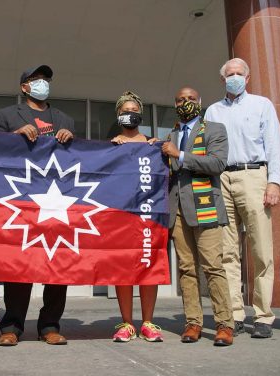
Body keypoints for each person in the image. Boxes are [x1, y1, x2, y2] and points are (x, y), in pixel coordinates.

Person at [0, 65, 74, 346]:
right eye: (36, 79)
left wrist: (71, 141)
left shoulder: (64, 119)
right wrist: (12, 136)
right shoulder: (6, 116)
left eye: (46, 79)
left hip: (57, 202)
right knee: (20, 264)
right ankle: (12, 327)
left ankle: (50, 326)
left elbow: (79, 160)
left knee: (56, 264)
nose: (43, 83)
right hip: (22, 201)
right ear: (24, 87)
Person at [204, 57, 280, 339]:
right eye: (229, 74)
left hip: (254, 176)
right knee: (227, 251)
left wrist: (274, 181)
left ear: (247, 78)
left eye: (239, 73)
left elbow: (274, 144)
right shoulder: (212, 111)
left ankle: (263, 315)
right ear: (222, 79)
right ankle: (234, 314)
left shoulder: (262, 105)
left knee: (261, 249)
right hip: (221, 178)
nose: (234, 78)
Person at [161, 87, 234, 346]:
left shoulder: (215, 129)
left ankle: (225, 324)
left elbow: (217, 164)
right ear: (175, 103)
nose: (186, 102)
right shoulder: (169, 135)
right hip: (178, 210)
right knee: (186, 269)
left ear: (200, 102)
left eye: (191, 99)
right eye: (181, 99)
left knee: (213, 267)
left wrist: (179, 154)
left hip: (206, 207)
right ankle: (193, 322)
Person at [109, 91, 163, 343]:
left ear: (139, 114)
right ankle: (127, 323)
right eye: (124, 111)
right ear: (118, 115)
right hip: (120, 216)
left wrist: (159, 150)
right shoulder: (112, 145)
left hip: (147, 214)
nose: (129, 114)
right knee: (123, 268)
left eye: (133, 110)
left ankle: (148, 322)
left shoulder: (152, 145)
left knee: (147, 263)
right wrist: (111, 150)